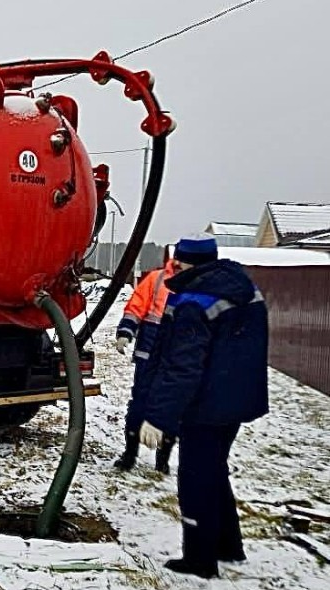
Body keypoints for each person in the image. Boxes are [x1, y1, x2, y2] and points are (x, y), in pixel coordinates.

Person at [136, 234, 269, 579]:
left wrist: (157, 418)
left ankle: (200, 559)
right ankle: (228, 545)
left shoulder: (194, 301)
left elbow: (183, 367)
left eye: (177, 263)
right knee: (214, 470)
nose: (173, 268)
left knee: (196, 477)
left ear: (187, 264)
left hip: (207, 405)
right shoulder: (241, 287)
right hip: (236, 400)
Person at [113, 258, 177, 473]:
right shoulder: (156, 278)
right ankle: (129, 455)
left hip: (176, 357)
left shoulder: (197, 284)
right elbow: (136, 306)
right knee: (140, 402)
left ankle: (163, 460)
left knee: (170, 405)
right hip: (148, 353)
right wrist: (125, 331)